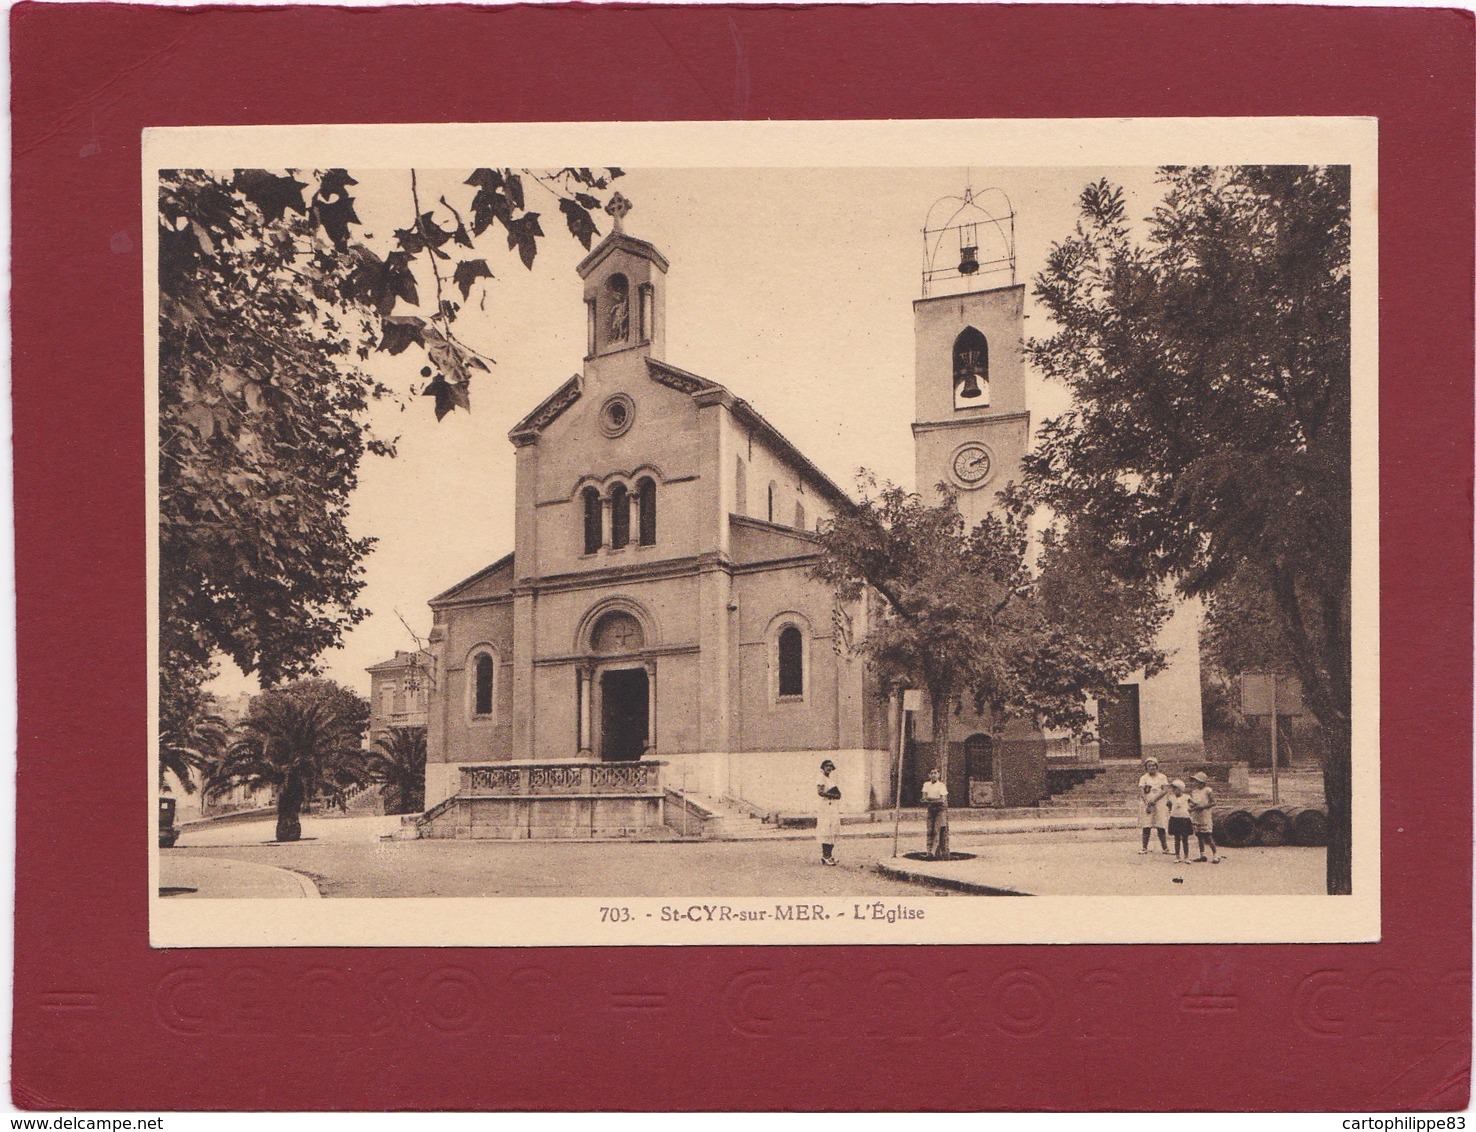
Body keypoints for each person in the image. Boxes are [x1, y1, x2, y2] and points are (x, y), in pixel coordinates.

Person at [1137, 756, 1170, 854]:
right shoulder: (1144, 778)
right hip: (1147, 803)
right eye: (1149, 766)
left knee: (1161, 825)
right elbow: (1141, 791)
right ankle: (1144, 847)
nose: (1152, 768)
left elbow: (1165, 790)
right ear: (1146, 767)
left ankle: (1165, 848)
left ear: (1157, 766)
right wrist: (1147, 801)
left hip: (1159, 803)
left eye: (1154, 765)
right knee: (1146, 825)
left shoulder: (1162, 777)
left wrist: (1154, 799)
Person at [1188, 771, 1221, 863]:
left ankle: (1215, 854)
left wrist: (1202, 807)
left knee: (1208, 836)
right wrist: (1191, 807)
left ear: (1202, 782)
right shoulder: (1194, 791)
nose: (1195, 783)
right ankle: (1202, 854)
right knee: (1199, 835)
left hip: (1205, 815)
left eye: (1197, 781)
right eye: (1194, 781)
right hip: (1196, 815)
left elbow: (1213, 802)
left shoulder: (1208, 790)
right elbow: (1193, 802)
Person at [815, 759, 842, 866]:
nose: (829, 768)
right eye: (827, 766)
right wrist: (834, 795)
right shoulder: (821, 777)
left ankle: (829, 855)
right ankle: (825, 856)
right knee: (826, 829)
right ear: (823, 767)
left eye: (831, 766)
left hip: (832, 806)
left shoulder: (829, 778)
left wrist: (837, 795)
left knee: (833, 829)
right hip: (826, 806)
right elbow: (820, 792)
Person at [921, 766, 949, 860]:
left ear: (939, 775)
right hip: (930, 810)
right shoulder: (926, 785)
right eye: (931, 773)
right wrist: (933, 800)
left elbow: (942, 800)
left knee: (937, 831)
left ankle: (933, 852)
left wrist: (930, 800)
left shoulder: (941, 786)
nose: (933, 775)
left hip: (940, 810)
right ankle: (928, 851)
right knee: (929, 830)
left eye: (935, 773)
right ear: (929, 775)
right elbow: (923, 799)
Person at [1165, 779, 1193, 862]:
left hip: (1184, 819)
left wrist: (1189, 809)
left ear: (1180, 789)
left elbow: (1194, 803)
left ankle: (1186, 857)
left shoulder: (1186, 797)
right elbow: (1168, 805)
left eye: (1175, 788)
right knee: (1176, 839)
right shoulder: (1171, 797)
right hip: (1175, 818)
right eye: (1173, 788)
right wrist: (1171, 811)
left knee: (1185, 839)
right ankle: (1177, 856)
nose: (1173, 790)